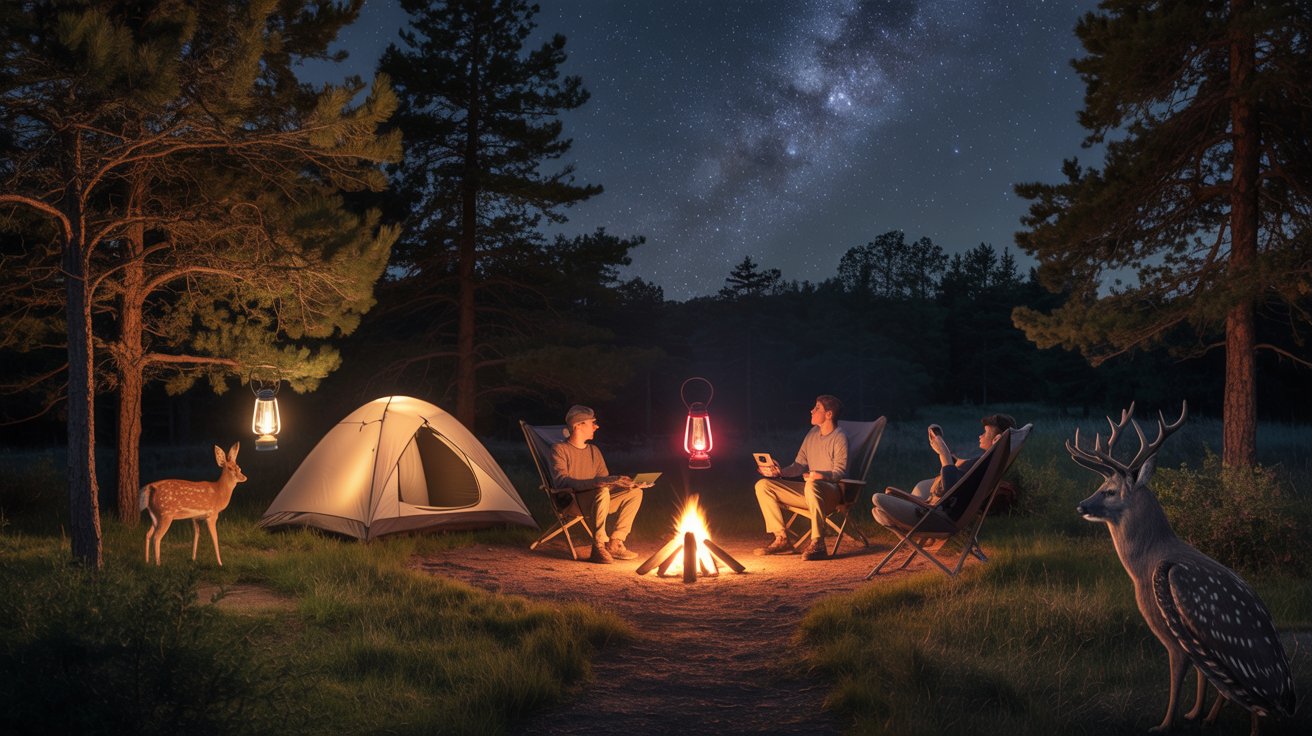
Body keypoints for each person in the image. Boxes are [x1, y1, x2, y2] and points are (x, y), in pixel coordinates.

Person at [871, 413, 1015, 533]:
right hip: (936, 508)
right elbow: (960, 478)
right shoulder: (987, 464)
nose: (980, 436)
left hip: (937, 516)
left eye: (984, 432)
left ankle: (907, 529)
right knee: (879, 510)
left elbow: (950, 489)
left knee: (877, 499)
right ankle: (904, 527)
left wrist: (944, 454)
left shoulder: (984, 465)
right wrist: (941, 447)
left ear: (996, 439)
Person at [753, 395, 848, 561]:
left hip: (831, 495)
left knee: (811, 484)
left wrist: (821, 475)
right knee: (763, 485)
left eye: (817, 408)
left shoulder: (839, 437)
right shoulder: (812, 434)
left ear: (829, 414)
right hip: (809, 492)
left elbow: (839, 473)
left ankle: (818, 543)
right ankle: (781, 539)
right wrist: (779, 472)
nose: (812, 410)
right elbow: (798, 466)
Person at [551, 405, 645, 564]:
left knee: (635, 493)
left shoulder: (594, 450)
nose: (597, 426)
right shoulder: (559, 449)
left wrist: (624, 484)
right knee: (601, 491)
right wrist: (599, 483)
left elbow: (605, 483)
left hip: (599, 500)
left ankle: (615, 542)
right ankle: (598, 545)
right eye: (592, 423)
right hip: (573, 502)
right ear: (578, 425)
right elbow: (561, 481)